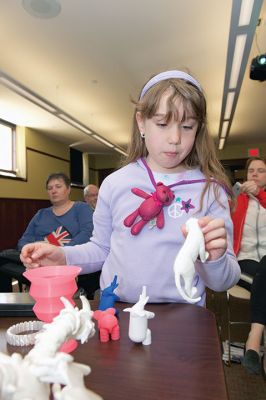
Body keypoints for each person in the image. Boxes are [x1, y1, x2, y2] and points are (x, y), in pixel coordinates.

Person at [20, 69, 241, 306]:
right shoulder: (116, 183)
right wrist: (63, 256)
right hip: (117, 309)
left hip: (183, 315)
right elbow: (101, 248)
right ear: (141, 123)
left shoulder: (211, 190)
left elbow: (223, 282)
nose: (175, 138)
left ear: (198, 129)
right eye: (163, 123)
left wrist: (214, 260)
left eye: (187, 126)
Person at [0, 172, 95, 295]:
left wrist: (59, 253)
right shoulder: (41, 214)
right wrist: (32, 253)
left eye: (58, 186)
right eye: (50, 188)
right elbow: (24, 239)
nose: (53, 191)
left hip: (65, 261)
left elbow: (87, 234)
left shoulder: (81, 208)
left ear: (68, 189)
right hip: (36, 262)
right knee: (3, 258)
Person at [231, 157, 266, 377]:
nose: (254, 174)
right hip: (244, 261)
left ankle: (253, 339)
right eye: (251, 170)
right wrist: (237, 195)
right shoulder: (238, 199)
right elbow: (224, 212)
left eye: (261, 171)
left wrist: (260, 194)